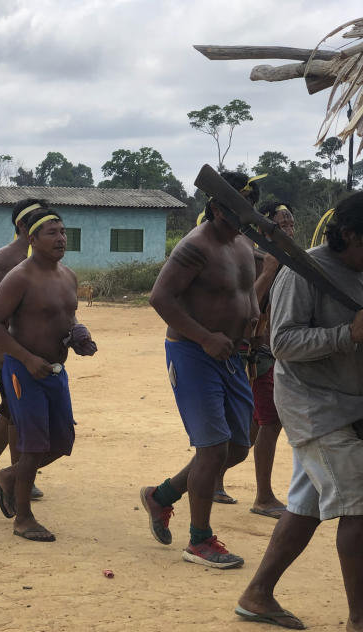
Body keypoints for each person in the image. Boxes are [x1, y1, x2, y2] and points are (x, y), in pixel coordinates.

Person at [236, 191, 363, 632]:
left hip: (352, 407)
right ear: (349, 233)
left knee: (305, 507)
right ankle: (360, 618)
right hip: (316, 407)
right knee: (360, 501)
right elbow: (283, 342)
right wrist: (347, 334)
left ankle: (258, 594)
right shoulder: (303, 271)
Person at [139, 171, 259, 569]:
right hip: (193, 353)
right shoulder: (195, 246)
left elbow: (245, 290)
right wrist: (206, 337)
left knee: (238, 447)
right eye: (237, 210)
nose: (243, 217)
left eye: (248, 210)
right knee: (212, 448)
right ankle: (200, 540)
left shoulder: (243, 243)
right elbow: (161, 297)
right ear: (216, 207)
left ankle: (162, 496)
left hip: (232, 355)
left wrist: (253, 316)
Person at [0, 207, 97, 542]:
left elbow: (69, 317)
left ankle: (8, 476)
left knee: (62, 441)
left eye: (63, 232)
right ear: (31, 239)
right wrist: (26, 358)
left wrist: (80, 336)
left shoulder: (69, 276)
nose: (61, 238)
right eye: (52, 232)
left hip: (54, 370)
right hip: (24, 369)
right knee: (32, 445)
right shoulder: (19, 277)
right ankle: (23, 518)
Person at [0, 198, 47, 501]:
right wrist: (3, 352)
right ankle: (17, 476)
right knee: (18, 415)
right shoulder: (4, 261)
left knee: (10, 410)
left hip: (33, 352)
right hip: (12, 352)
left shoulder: (41, 260)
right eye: (39, 220)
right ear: (22, 226)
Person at [244, 201, 295, 518]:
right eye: (281, 223)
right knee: (270, 421)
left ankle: (216, 479)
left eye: (291, 222)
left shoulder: (290, 261)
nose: (289, 227)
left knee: (252, 425)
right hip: (256, 352)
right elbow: (248, 304)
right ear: (264, 230)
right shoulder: (258, 260)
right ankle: (263, 497)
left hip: (275, 351)